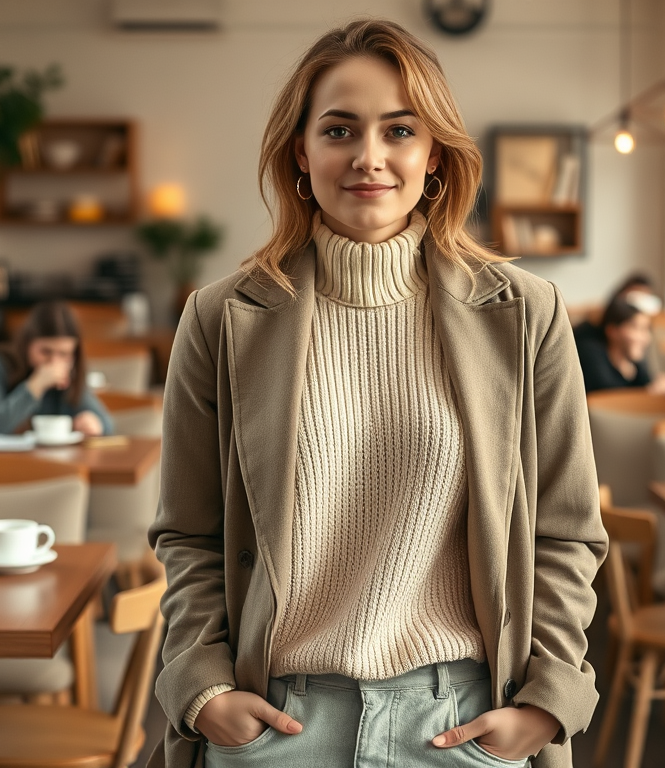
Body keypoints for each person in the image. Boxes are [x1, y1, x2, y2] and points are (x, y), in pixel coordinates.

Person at [148, 19, 607, 768]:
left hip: (465, 722)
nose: (369, 157)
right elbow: (190, 534)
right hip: (274, 723)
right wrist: (204, 688)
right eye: (339, 130)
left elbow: (566, 532)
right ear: (302, 151)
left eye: (399, 130)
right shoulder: (221, 318)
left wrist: (547, 702)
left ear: (434, 156)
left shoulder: (526, 314)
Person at [0, 301, 113, 437]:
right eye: (45, 352)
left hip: (37, 463)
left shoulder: (68, 377)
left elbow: (107, 424)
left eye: (64, 354)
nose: (54, 362)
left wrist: (95, 424)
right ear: (27, 344)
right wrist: (35, 386)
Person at [577, 296, 665, 394]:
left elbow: (646, 385)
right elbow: (604, 395)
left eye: (647, 329)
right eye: (637, 328)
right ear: (612, 331)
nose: (645, 338)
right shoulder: (590, 353)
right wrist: (648, 393)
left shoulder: (636, 365)